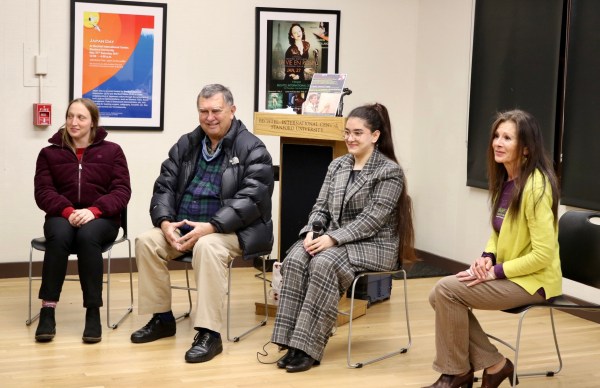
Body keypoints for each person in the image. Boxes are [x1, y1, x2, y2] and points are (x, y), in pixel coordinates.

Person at [130, 84, 274, 364]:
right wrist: (164, 223)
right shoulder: (187, 144)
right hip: (185, 226)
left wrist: (211, 226)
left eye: (216, 111)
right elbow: (164, 186)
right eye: (204, 111)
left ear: (232, 110)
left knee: (207, 247)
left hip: (233, 231)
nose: (210, 117)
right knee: (147, 241)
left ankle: (209, 334)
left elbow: (252, 200)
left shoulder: (253, 148)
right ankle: (161, 319)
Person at [270, 103, 416, 373]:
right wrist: (313, 230)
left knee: (324, 263)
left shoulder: (389, 171)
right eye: (347, 132)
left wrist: (332, 239)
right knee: (296, 257)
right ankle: (291, 342)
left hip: (374, 245)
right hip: (336, 241)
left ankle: (307, 348)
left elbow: (371, 221)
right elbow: (320, 206)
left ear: (375, 135)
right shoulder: (337, 165)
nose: (350, 138)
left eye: (357, 133)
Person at [425, 109, 562, 388]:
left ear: (525, 149)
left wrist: (496, 272)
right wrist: (487, 257)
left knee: (445, 291)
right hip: (511, 273)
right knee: (438, 294)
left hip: (534, 281)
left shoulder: (536, 187)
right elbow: (498, 232)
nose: (498, 143)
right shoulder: (508, 180)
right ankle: (494, 364)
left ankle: (457, 373)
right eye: (497, 136)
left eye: (507, 138)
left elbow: (543, 255)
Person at [33, 98, 131, 344]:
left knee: (88, 236)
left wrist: (94, 210)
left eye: (81, 117)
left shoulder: (113, 151)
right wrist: (67, 211)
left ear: (93, 122)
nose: (73, 122)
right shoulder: (49, 153)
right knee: (59, 234)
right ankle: (48, 309)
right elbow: (43, 192)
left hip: (102, 218)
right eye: (70, 116)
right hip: (61, 216)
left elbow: (121, 191)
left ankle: (93, 311)